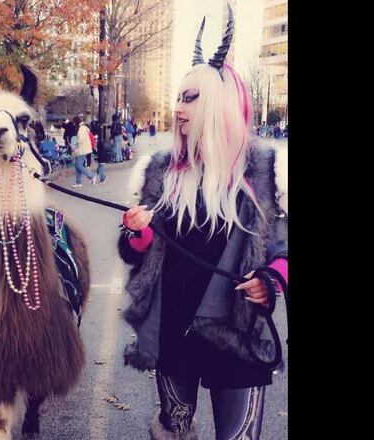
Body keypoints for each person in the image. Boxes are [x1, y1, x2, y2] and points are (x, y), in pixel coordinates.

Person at [116, 7, 288, 439]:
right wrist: (138, 231)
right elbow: (136, 251)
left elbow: (283, 248)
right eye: (178, 96)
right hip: (175, 332)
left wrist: (270, 280)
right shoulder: (159, 171)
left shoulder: (266, 172)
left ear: (219, 105)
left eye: (190, 98)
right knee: (174, 429)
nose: (177, 108)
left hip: (238, 334)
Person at [76, 116, 106, 184]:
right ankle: (102, 177)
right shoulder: (92, 134)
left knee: (81, 164)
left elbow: (83, 140)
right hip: (92, 150)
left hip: (86, 150)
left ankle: (98, 177)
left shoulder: (86, 132)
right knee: (98, 167)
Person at [70, 116, 97, 187]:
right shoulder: (83, 128)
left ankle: (91, 176)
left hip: (82, 149)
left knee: (79, 165)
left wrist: (75, 141)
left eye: (73, 123)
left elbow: (81, 139)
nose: (73, 124)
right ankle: (78, 182)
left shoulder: (81, 129)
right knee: (77, 165)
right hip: (83, 149)